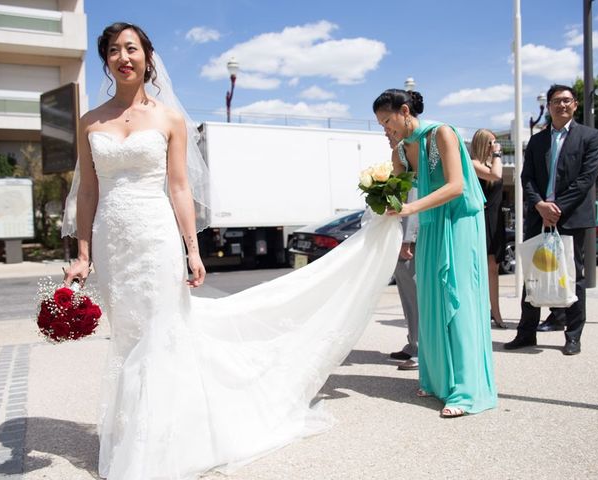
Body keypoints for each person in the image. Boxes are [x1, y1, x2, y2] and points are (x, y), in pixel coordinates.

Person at [61, 23, 405, 479]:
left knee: (163, 334)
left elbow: (180, 188)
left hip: (155, 237)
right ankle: (135, 437)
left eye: (132, 49)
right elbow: (87, 193)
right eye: (113, 51)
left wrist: (192, 249)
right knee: (127, 338)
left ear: (147, 56)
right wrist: (84, 254)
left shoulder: (169, 119)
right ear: (106, 61)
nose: (123, 57)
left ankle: (168, 442)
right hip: (112, 241)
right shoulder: (91, 121)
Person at [373, 89, 497, 418]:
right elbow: (396, 192)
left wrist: (410, 206)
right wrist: (380, 199)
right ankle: (437, 379)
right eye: (381, 125)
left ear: (404, 111)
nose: (386, 129)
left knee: (458, 298)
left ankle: (466, 391)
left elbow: (456, 185)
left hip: (458, 222)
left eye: (387, 121)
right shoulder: (401, 150)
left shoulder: (443, 132)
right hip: (429, 225)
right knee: (431, 299)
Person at [504, 84, 598, 356]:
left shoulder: (590, 136)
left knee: (573, 277)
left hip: (571, 217)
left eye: (567, 100)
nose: (562, 105)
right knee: (532, 275)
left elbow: (586, 178)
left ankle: (572, 336)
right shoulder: (537, 140)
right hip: (539, 216)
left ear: (575, 105)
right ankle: (526, 333)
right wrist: (539, 204)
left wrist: (556, 207)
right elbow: (527, 178)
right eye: (557, 101)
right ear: (548, 106)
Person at [386, 134, 420, 370]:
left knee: (416, 297)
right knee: (406, 296)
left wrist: (407, 239)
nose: (386, 133)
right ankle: (412, 342)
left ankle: (420, 348)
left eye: (388, 126)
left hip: (410, 240)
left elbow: (413, 200)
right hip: (399, 236)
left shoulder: (411, 163)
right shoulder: (401, 160)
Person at [470, 129, 507, 329]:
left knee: (494, 268)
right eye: (492, 142)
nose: (495, 146)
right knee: (480, 268)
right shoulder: (473, 164)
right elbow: (496, 174)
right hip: (481, 219)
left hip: (495, 218)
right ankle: (482, 311)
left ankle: (496, 311)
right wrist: (498, 155)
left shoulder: (490, 164)